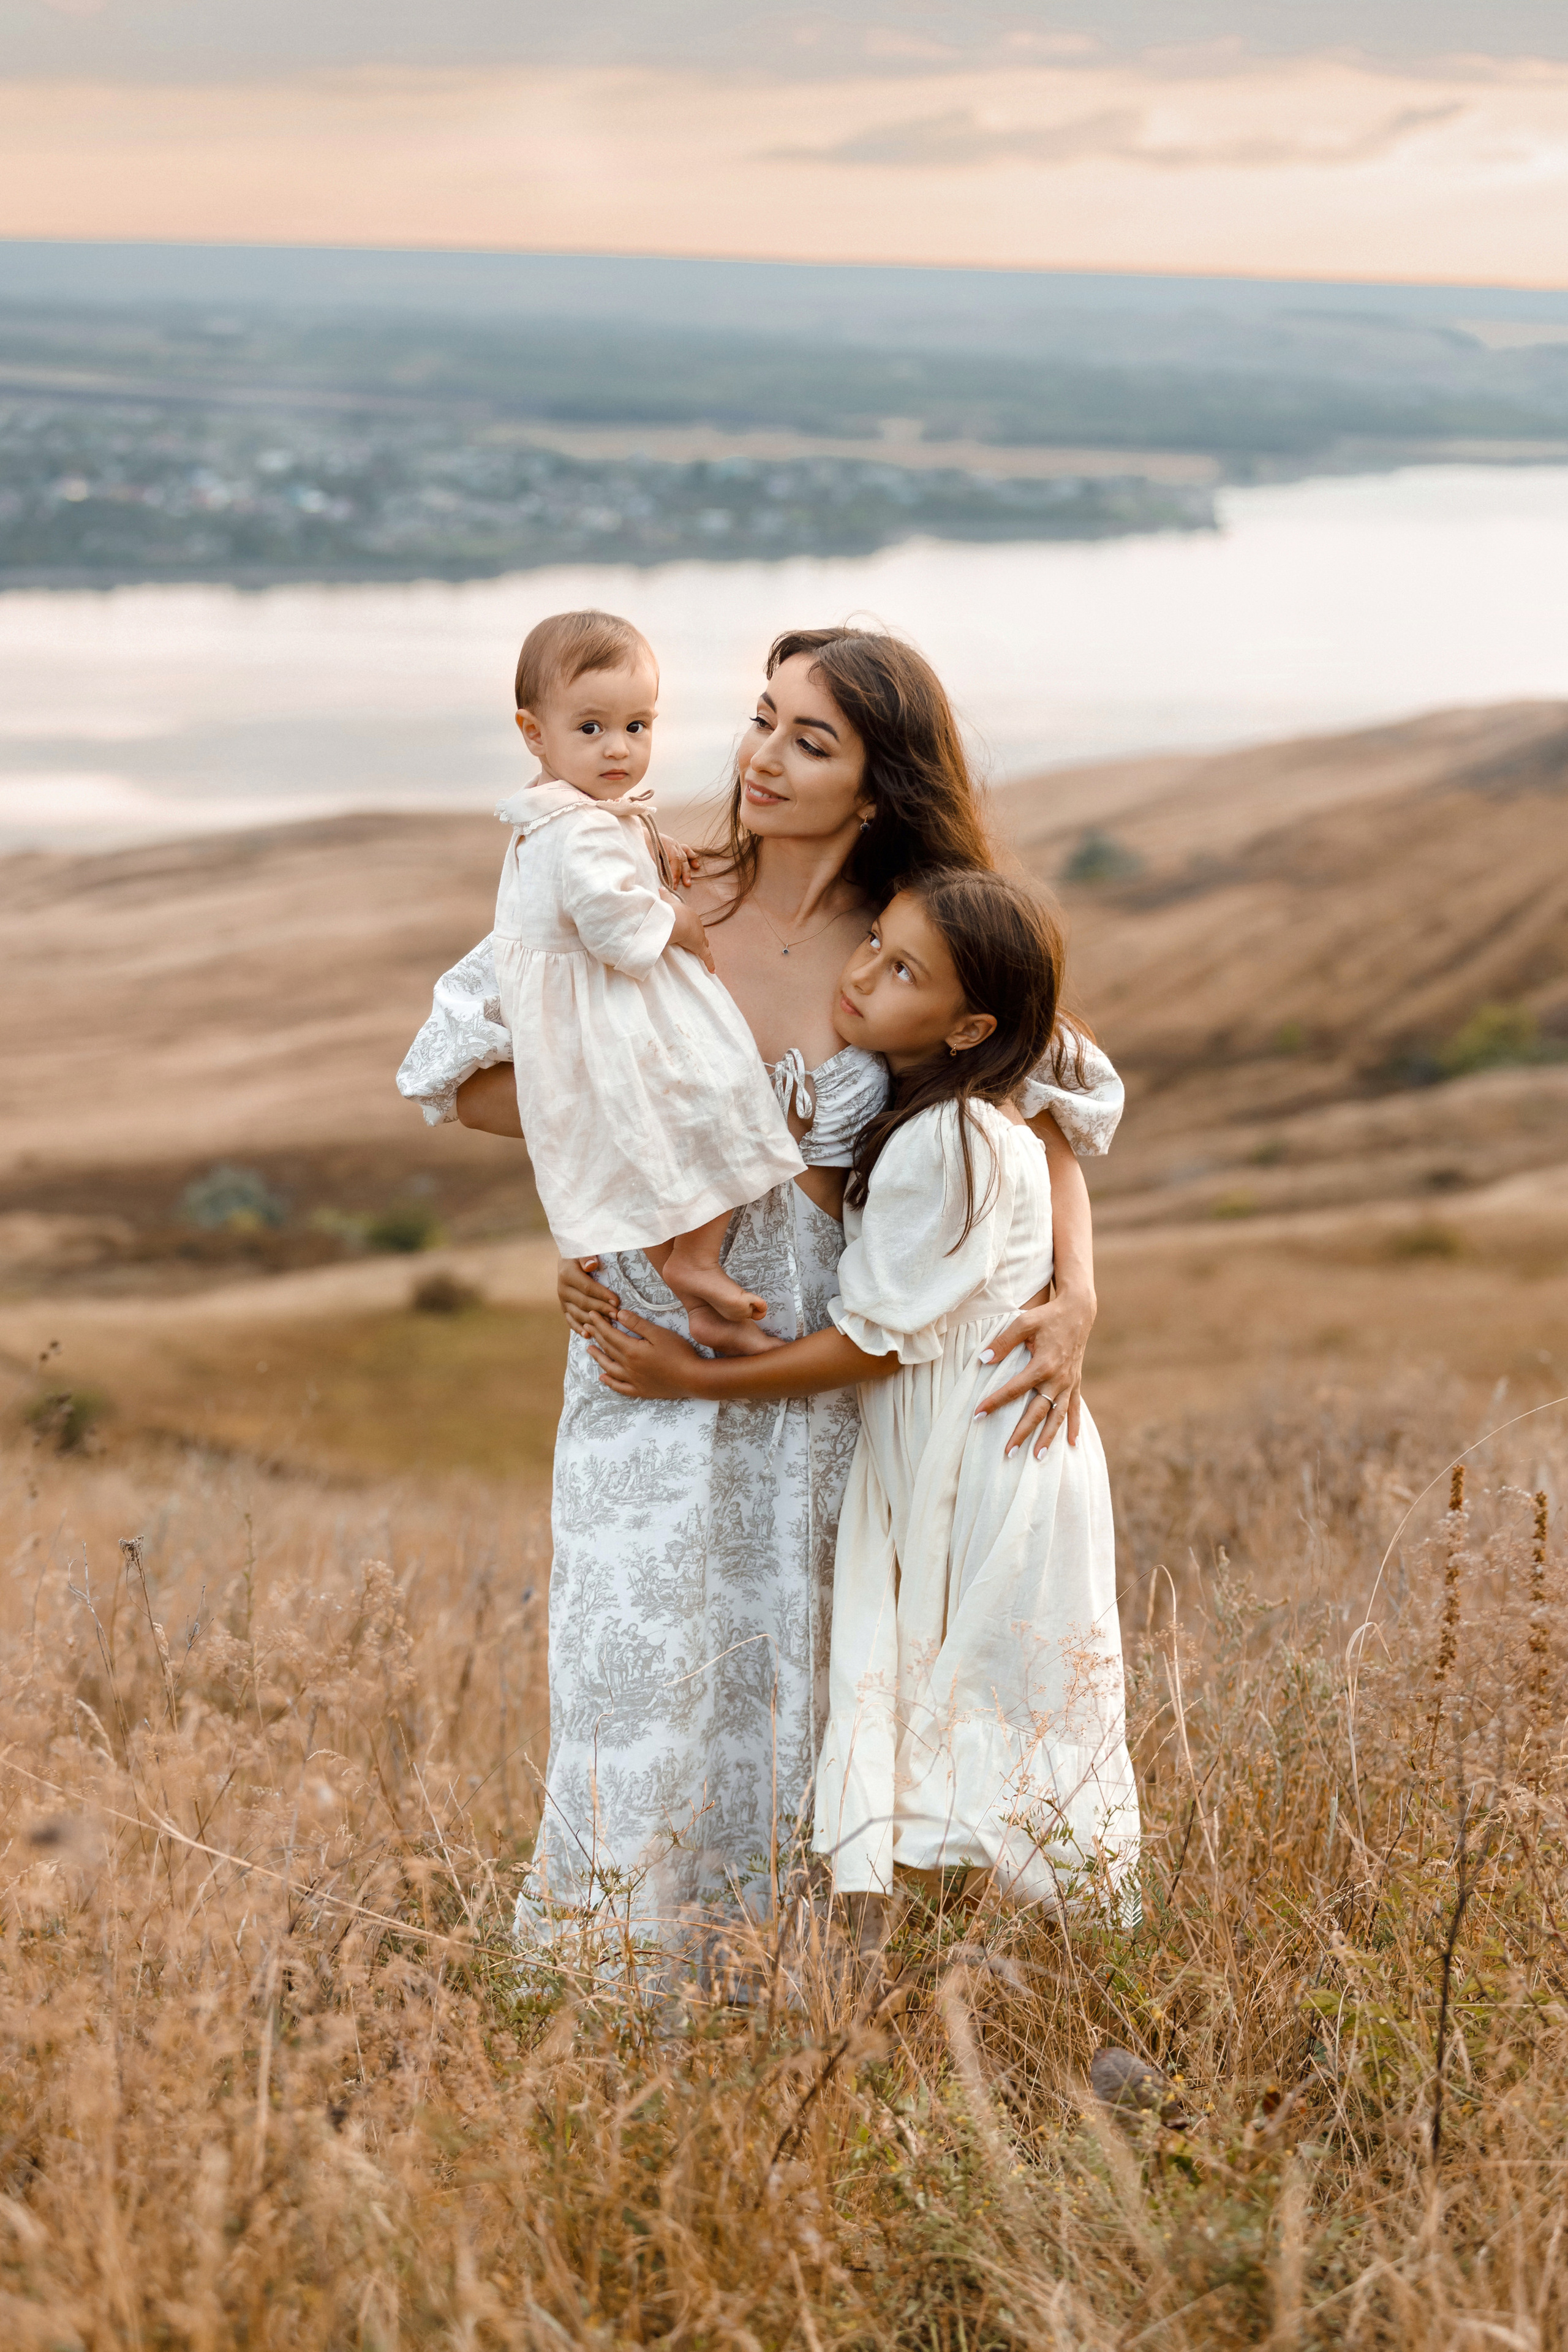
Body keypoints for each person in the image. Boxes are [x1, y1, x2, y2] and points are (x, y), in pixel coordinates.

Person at [397, 627, 1126, 1933]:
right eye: (758, 718)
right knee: (647, 1685)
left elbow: (1049, 1113)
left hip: (847, 1382)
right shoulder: (640, 894)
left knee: (826, 1683)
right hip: (654, 1359)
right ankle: (616, 1998)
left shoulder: (916, 937)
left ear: (881, 778)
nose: (761, 758)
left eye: (810, 738)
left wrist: (1074, 1298)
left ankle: (805, 2004)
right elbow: (463, 1081)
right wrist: (657, 1136)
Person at [586, 871, 1140, 1920]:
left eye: (900, 972)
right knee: (983, 1703)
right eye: (875, 941)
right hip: (979, 1438)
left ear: (972, 1025)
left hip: (971, 1446)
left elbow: (877, 1346)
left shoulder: (955, 1139)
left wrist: (697, 1379)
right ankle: (984, 1964)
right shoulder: (940, 1115)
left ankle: (1023, 1966)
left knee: (985, 1701)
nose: (860, 974)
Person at [487, 608, 805, 1340]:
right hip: (607, 1008)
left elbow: (607, 860)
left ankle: (689, 1285)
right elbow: (607, 917)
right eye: (591, 728)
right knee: (717, 1092)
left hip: (582, 1013)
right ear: (534, 733)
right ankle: (693, 1259)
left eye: (637, 726)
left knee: (660, 1131)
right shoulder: (581, 826)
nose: (619, 749)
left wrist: (658, 853)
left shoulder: (571, 814)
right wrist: (678, 922)